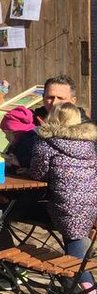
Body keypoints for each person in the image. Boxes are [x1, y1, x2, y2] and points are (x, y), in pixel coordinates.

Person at [26, 103, 97, 289]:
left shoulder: (47, 140)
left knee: (73, 240)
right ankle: (74, 286)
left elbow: (38, 172)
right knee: (76, 236)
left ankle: (87, 287)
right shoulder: (88, 143)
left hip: (65, 200)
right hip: (90, 200)